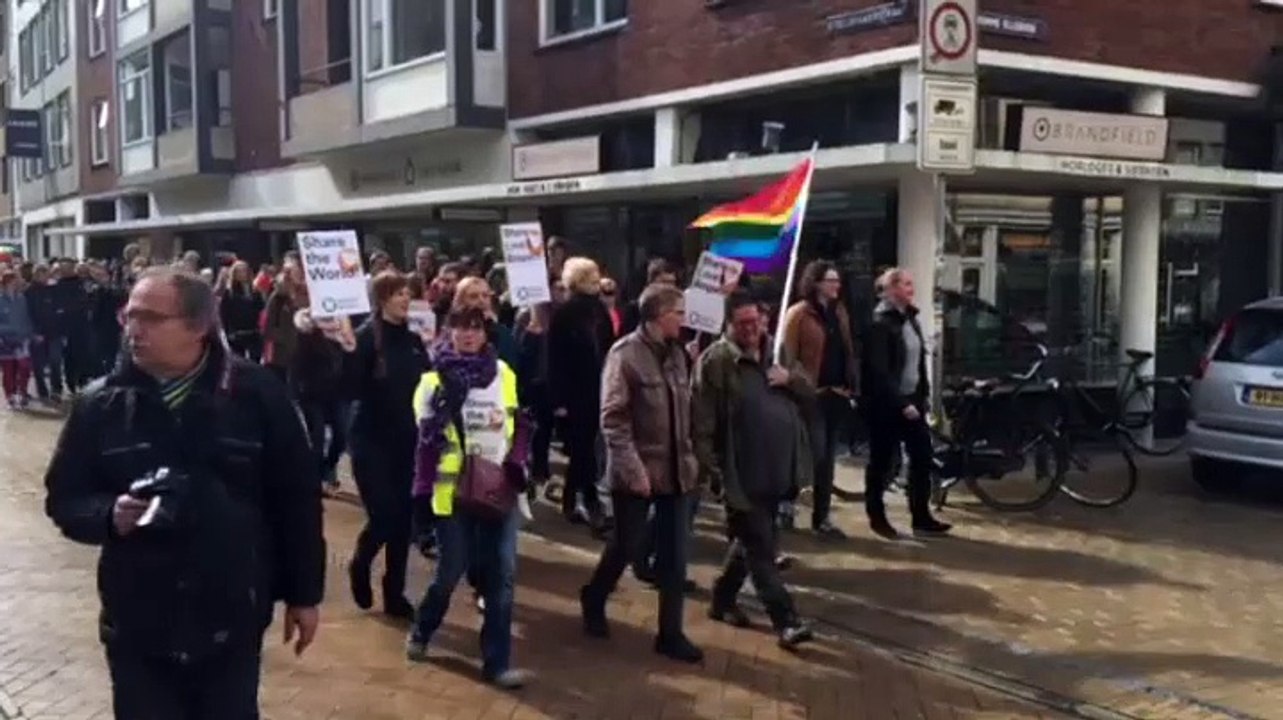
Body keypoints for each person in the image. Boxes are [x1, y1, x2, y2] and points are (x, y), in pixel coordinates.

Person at [43, 266, 325, 718]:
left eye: (151, 318)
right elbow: (64, 498)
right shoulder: (100, 405)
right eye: (129, 316)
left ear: (198, 327)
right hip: (138, 624)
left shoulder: (257, 396)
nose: (134, 329)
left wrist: (304, 594)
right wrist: (108, 515)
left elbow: (296, 500)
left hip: (229, 619)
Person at [405, 306, 532, 687]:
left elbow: (519, 423)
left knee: (502, 577)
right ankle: (422, 630)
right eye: (459, 328)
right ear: (448, 333)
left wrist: (518, 459)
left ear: (485, 334)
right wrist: (422, 494)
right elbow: (425, 440)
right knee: (450, 572)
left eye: (475, 329)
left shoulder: (503, 374)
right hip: (453, 494)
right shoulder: (432, 382)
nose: (467, 335)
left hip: (499, 491)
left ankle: (496, 662)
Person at [580, 284, 703, 664]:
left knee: (675, 554)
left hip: (677, 471)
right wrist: (633, 469)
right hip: (637, 470)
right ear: (657, 316)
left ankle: (670, 633)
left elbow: (687, 411)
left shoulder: (678, 355)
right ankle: (595, 595)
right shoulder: (625, 355)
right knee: (627, 543)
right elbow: (613, 419)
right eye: (678, 313)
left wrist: (694, 460)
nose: (684, 320)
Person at [694, 291, 814, 648]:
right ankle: (786, 621)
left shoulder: (777, 352)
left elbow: (809, 392)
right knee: (761, 548)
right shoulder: (715, 362)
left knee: (751, 541)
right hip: (740, 473)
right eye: (743, 324)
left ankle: (722, 598)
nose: (752, 330)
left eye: (756, 322)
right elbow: (701, 422)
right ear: (728, 324)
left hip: (777, 469)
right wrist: (712, 473)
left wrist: (788, 379)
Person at [341, 271, 429, 618]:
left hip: (408, 441)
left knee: (404, 520)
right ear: (381, 300)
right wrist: (346, 353)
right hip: (371, 442)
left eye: (408, 294)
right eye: (397, 294)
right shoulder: (364, 339)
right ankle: (361, 564)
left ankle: (395, 592)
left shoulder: (414, 339)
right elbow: (347, 389)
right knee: (385, 515)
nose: (405, 300)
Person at [862, 267, 952, 539]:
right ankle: (877, 517)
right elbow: (879, 371)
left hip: (913, 400)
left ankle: (921, 517)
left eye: (912, 284)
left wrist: (921, 396)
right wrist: (901, 403)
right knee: (882, 461)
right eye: (905, 284)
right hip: (887, 405)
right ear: (889, 289)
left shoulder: (911, 318)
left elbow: (917, 361)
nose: (911, 289)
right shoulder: (880, 322)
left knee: (922, 457)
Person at [781, 260, 859, 538]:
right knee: (811, 453)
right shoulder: (799, 314)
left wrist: (851, 383)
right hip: (810, 395)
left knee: (827, 461)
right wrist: (803, 385)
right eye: (830, 280)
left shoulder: (838, 312)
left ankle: (821, 516)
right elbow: (788, 357)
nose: (836, 285)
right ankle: (786, 504)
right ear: (815, 283)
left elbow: (846, 349)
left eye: (837, 280)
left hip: (837, 393)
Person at [548, 257, 615, 529]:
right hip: (579, 389)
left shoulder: (595, 309)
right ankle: (588, 501)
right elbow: (556, 358)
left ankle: (574, 499)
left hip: (592, 387)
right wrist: (559, 400)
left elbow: (609, 346)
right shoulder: (567, 313)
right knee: (583, 448)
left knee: (584, 448)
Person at [292, 307, 348, 494]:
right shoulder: (307, 329)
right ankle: (315, 479)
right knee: (316, 439)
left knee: (341, 435)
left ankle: (327, 467)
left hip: (338, 393)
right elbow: (297, 361)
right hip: (312, 393)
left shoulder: (343, 326)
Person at [0, 270, 34, 407]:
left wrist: (29, 333)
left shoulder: (22, 299)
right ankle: (10, 395)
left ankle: (23, 392)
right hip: (5, 341)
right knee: (8, 371)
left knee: (24, 368)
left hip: (22, 340)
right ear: (8, 283)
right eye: (15, 280)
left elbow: (27, 318)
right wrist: (8, 331)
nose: (18, 283)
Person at [219, 261, 265, 362]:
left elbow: (261, 309)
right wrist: (228, 333)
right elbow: (224, 314)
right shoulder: (229, 293)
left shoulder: (255, 291)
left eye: (244, 271)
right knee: (239, 363)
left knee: (255, 361)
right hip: (237, 334)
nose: (242, 274)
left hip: (254, 333)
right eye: (239, 271)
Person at [620, 258, 678, 336]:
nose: (669, 287)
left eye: (672, 282)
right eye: (664, 282)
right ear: (651, 283)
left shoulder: (678, 311)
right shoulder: (634, 310)